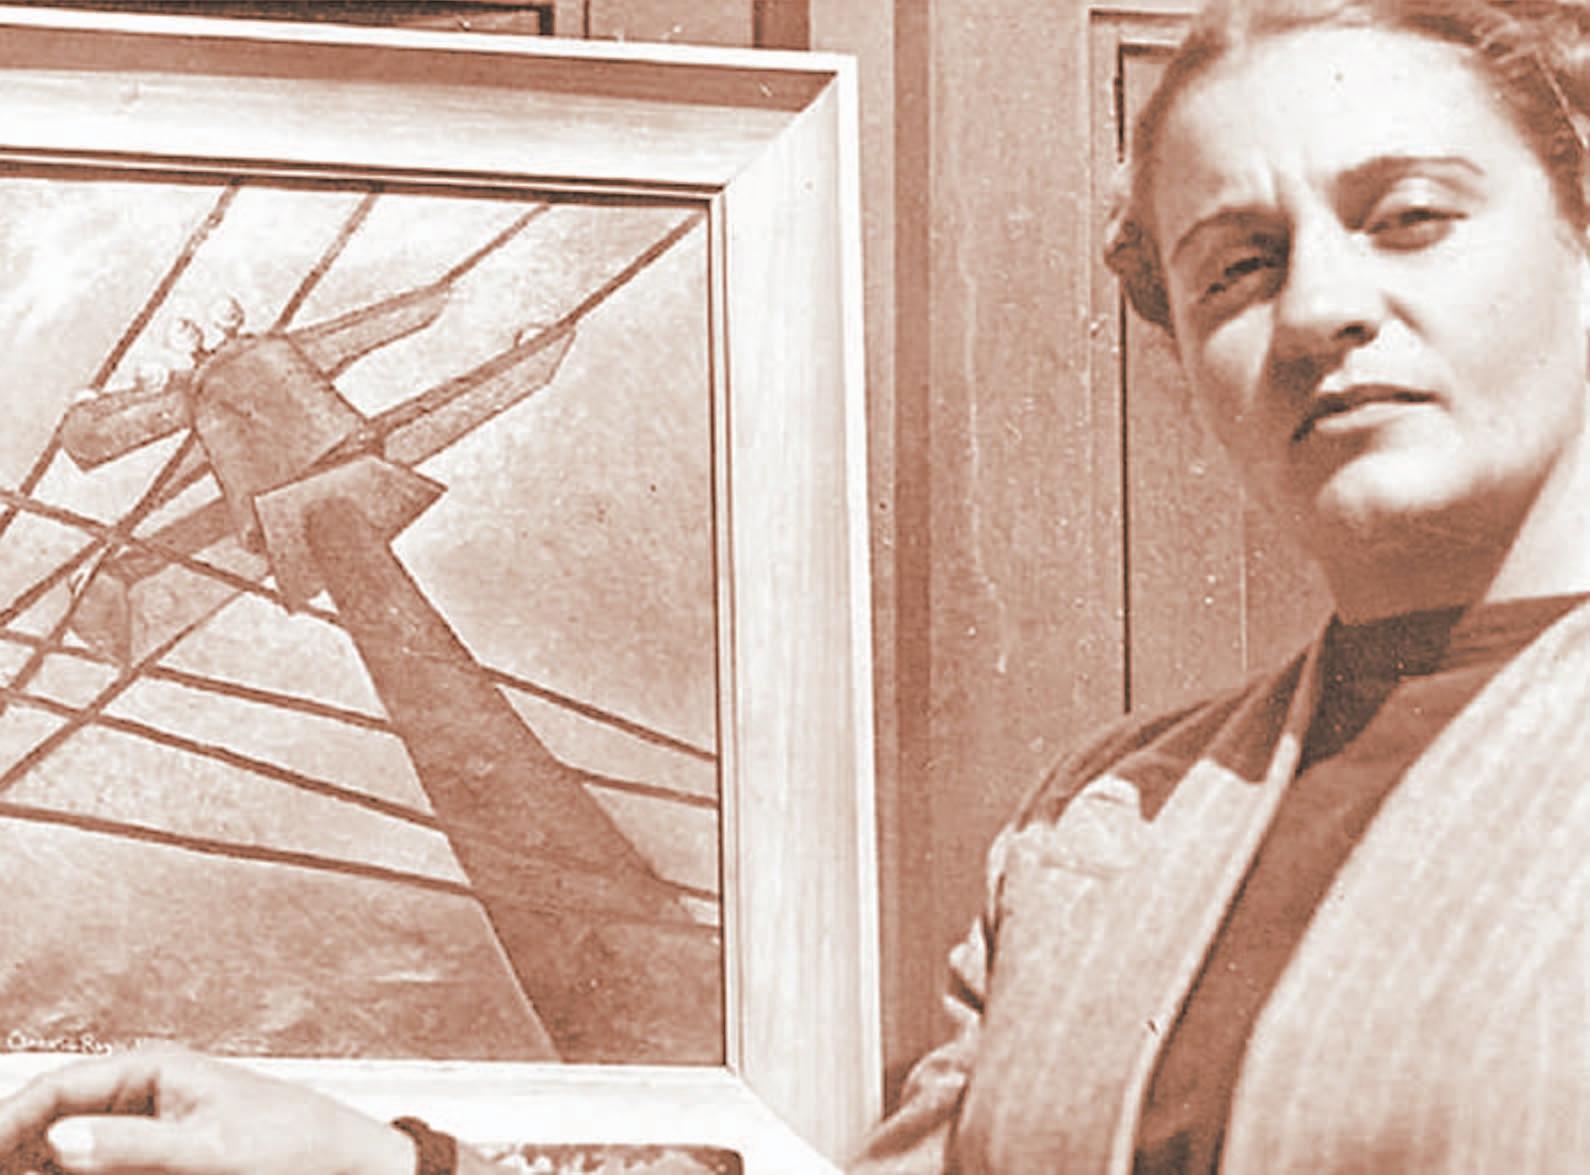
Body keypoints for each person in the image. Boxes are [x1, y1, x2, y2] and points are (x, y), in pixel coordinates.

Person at [5, 0, 1590, 1170]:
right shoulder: (1103, 824)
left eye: (1410, 219)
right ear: (1178, 344)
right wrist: (392, 1166)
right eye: (1234, 264)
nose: (1319, 308)